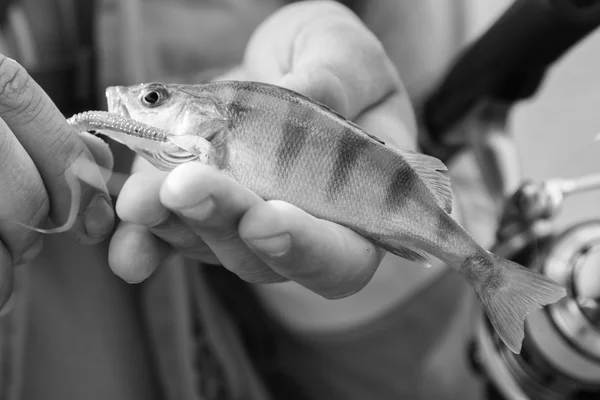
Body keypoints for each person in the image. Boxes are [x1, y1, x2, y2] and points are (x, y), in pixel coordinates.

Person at [0, 0, 500, 399]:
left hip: (347, 352)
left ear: (207, 121)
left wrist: (369, 284)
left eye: (154, 100)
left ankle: (492, 277)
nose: (129, 102)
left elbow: (462, 152)